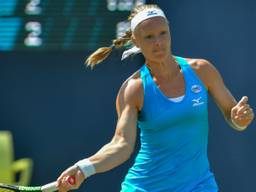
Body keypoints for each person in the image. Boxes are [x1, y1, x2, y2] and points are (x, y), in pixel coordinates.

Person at [56, 4, 254, 192]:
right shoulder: (133, 89)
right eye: (149, 37)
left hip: (199, 185)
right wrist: (84, 168)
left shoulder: (202, 70)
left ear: (169, 31)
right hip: (146, 187)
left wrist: (239, 120)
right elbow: (121, 145)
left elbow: (233, 116)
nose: (158, 42)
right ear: (136, 41)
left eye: (162, 33)